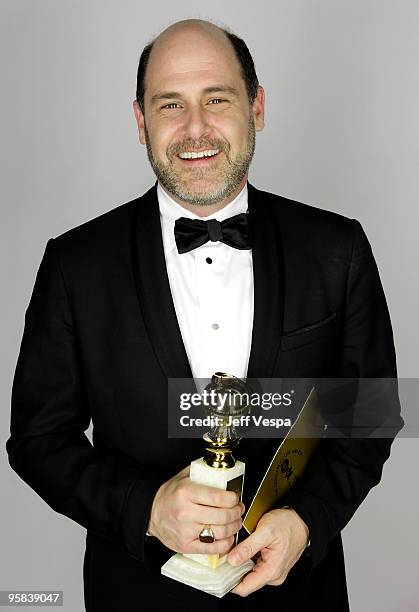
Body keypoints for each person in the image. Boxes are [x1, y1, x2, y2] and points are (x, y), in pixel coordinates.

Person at [6, 18, 403, 612]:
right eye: (170, 105)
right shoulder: (75, 264)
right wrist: (143, 507)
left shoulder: (336, 249)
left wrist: (307, 521)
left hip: (299, 598)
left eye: (217, 99)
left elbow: (368, 413)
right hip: (136, 597)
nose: (195, 128)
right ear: (141, 121)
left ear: (256, 106)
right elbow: (38, 440)